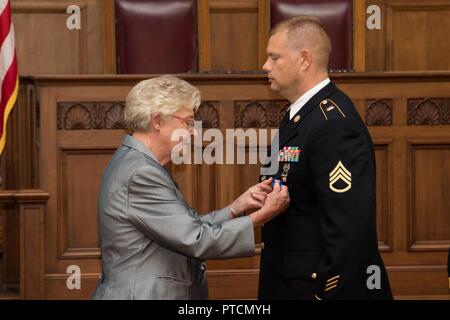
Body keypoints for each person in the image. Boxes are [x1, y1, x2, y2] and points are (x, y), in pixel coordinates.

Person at [92, 75, 290, 300]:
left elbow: (185, 227)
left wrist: (236, 208)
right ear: (157, 121)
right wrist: (261, 217)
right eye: (188, 122)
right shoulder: (141, 172)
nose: (194, 132)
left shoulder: (141, 164)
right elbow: (196, 238)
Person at [258, 16, 392, 300]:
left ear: (304, 60)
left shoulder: (333, 124)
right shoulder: (299, 116)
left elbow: (350, 227)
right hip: (289, 279)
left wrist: (325, 293)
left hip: (320, 288)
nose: (265, 66)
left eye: (274, 57)